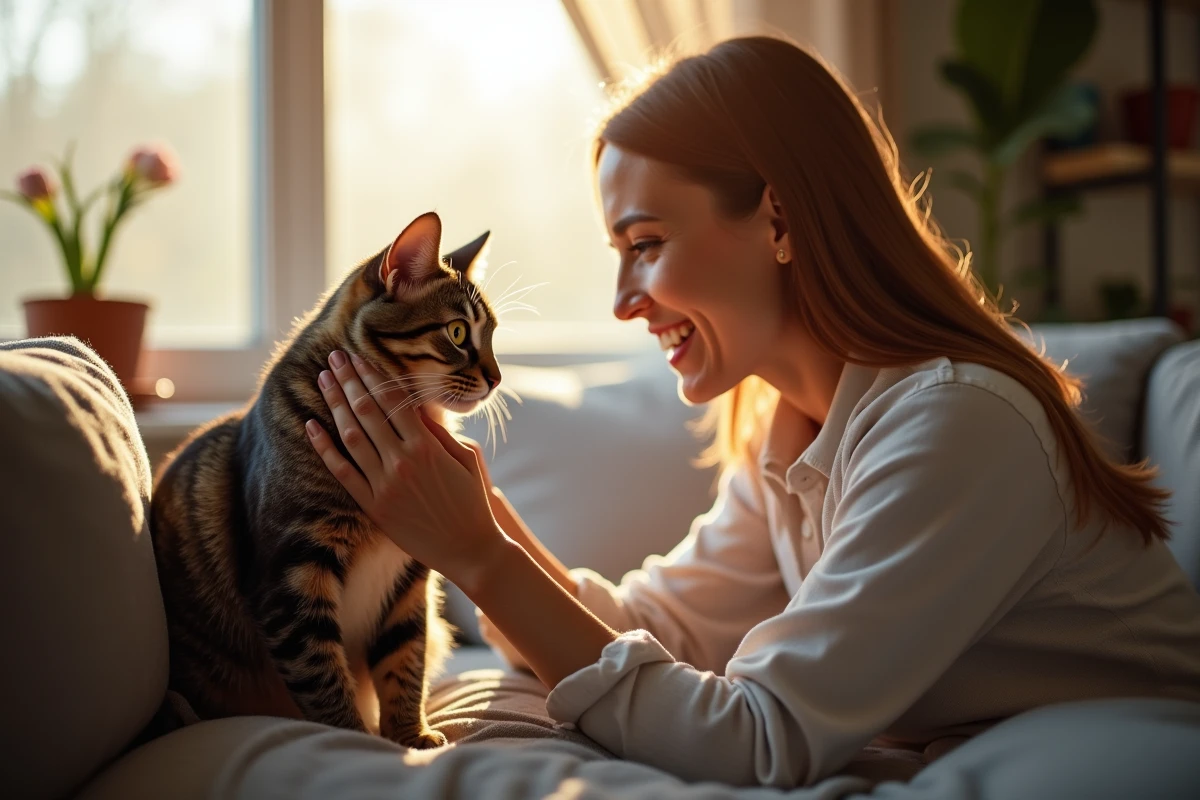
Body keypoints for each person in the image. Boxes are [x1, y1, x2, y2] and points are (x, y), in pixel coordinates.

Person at [304, 37, 1200, 788]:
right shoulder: (792, 425)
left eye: (645, 244)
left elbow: (759, 740)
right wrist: (480, 520)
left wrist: (480, 556)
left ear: (778, 219)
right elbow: (658, 629)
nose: (623, 301)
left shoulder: (959, 425)